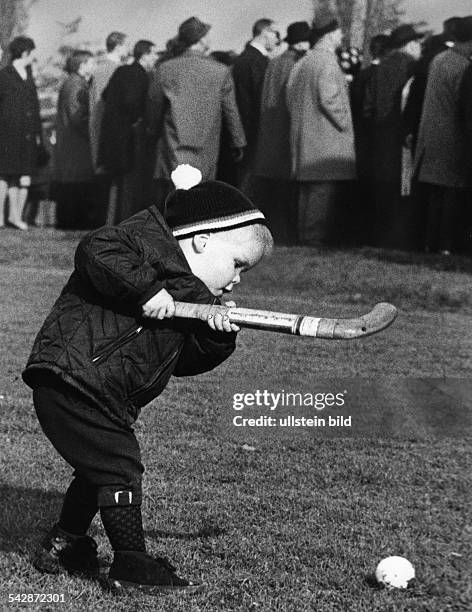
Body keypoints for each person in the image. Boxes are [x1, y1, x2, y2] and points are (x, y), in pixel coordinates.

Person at [22, 164, 273, 593]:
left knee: (98, 468)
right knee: (119, 465)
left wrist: (215, 338)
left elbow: (178, 360)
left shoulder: (189, 295)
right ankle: (131, 563)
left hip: (106, 396)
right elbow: (96, 249)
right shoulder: (140, 242)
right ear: (202, 240)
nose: (234, 281)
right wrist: (145, 291)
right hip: (71, 379)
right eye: (236, 265)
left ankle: (67, 543)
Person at [147, 17, 245, 203]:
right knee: (202, 197)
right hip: (207, 146)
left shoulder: (165, 69)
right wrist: (238, 141)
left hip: (173, 144)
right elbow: (230, 111)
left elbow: (153, 108)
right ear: (201, 39)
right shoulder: (220, 71)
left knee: (174, 197)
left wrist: (151, 134)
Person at [286, 7, 356, 247]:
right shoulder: (327, 62)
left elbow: (289, 97)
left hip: (304, 137)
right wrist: (345, 124)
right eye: (338, 33)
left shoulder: (303, 62)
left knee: (308, 192)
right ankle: (313, 239)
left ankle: (305, 236)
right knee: (322, 192)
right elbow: (330, 99)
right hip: (325, 139)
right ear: (330, 34)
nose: (341, 37)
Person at [413, 16, 472, 255]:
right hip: (452, 135)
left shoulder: (438, 60)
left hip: (430, 133)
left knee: (435, 194)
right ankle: (445, 246)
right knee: (450, 192)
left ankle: (431, 243)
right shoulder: (463, 66)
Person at [363, 24, 423, 248]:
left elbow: (367, 108)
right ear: (410, 45)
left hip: (380, 139)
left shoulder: (379, 69)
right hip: (402, 139)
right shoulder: (413, 67)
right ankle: (401, 239)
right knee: (403, 190)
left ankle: (381, 237)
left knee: (383, 191)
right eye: (417, 43)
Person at [253, 21, 311, 244]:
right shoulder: (297, 64)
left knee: (269, 191)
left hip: (268, 132)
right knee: (284, 192)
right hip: (285, 133)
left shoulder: (274, 63)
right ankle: (285, 235)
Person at [99, 40, 157, 224]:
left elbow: (105, 95)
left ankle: (113, 220)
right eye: (153, 54)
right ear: (145, 55)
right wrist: (140, 118)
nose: (155, 58)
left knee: (118, 184)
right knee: (131, 184)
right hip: (131, 138)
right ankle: (126, 221)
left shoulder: (121, 71)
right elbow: (132, 102)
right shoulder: (140, 75)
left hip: (114, 137)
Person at [232, 18, 279, 194]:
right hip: (255, 134)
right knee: (249, 187)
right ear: (264, 32)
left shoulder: (244, 59)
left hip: (245, 133)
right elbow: (262, 99)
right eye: (275, 33)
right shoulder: (257, 62)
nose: (277, 38)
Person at [0, 36, 42, 230]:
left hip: (27, 136)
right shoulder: (4, 76)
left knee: (22, 176)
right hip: (7, 134)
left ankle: (15, 217)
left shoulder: (29, 76)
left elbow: (35, 108)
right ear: (25, 52)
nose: (34, 57)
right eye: (32, 53)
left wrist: (37, 134)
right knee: (4, 175)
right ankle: (0, 217)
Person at [55, 50, 96, 230]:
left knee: (72, 183)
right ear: (83, 65)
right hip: (77, 144)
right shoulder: (76, 85)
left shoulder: (72, 83)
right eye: (91, 63)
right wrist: (93, 129)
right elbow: (77, 115)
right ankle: (73, 221)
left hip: (70, 142)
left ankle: (69, 219)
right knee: (76, 182)